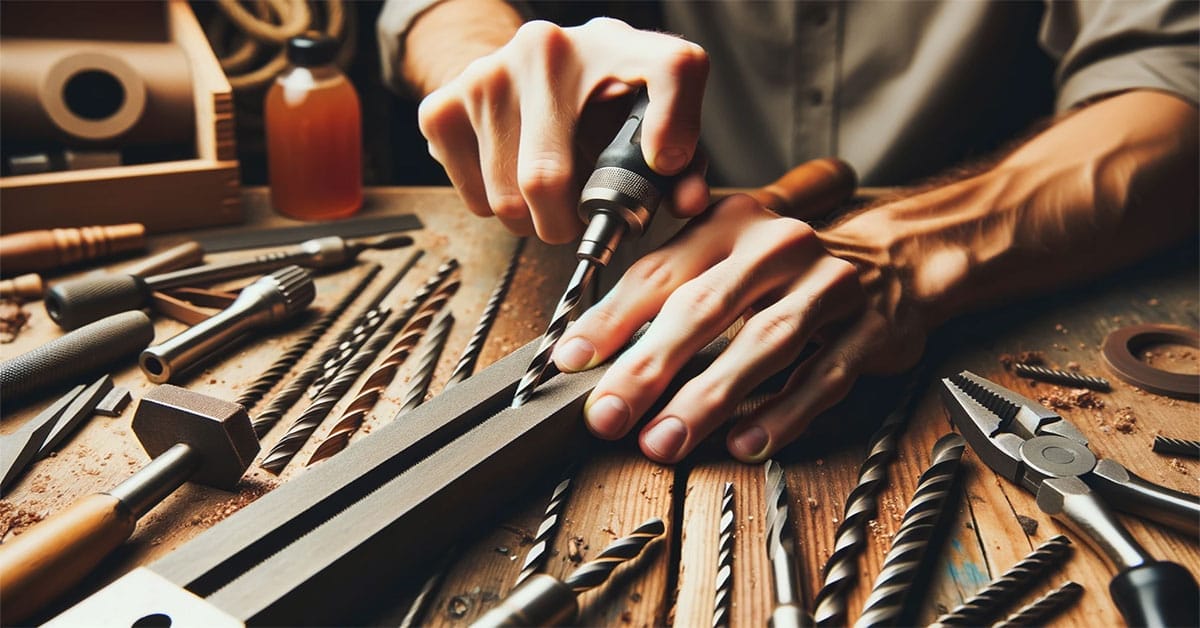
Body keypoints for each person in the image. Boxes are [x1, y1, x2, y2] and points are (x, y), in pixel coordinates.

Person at [378, 0, 1199, 464]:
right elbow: (435, 12)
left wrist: (903, 249)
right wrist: (493, 74)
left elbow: (1172, 92)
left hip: (969, 219)